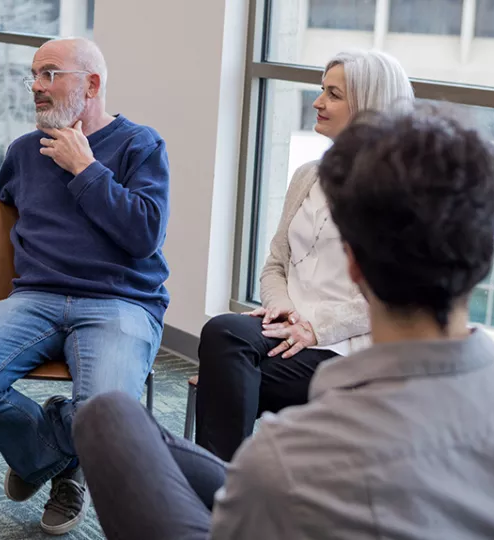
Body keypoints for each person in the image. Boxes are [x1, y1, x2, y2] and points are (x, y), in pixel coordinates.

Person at [75, 105, 494, 539]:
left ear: (353, 265)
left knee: (107, 418)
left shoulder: (287, 461)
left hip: (265, 494)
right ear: (485, 261)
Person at [0, 37, 169, 535]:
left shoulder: (139, 145)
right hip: (36, 297)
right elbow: (10, 229)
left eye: (50, 74)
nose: (37, 88)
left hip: (120, 302)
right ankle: (55, 459)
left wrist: (85, 169)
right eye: (34, 76)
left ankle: (53, 456)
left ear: (92, 84)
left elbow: (145, 234)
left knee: (103, 413)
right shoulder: (22, 152)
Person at [194, 49, 415, 461]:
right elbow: (276, 261)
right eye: (321, 90)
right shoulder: (308, 175)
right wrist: (280, 310)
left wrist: (314, 329)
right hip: (282, 331)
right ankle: (224, 492)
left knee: (230, 371)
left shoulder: (397, 192)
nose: (317, 102)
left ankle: (214, 490)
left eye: (332, 94)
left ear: (368, 105)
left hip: (343, 348)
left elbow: (390, 296)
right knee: (224, 332)